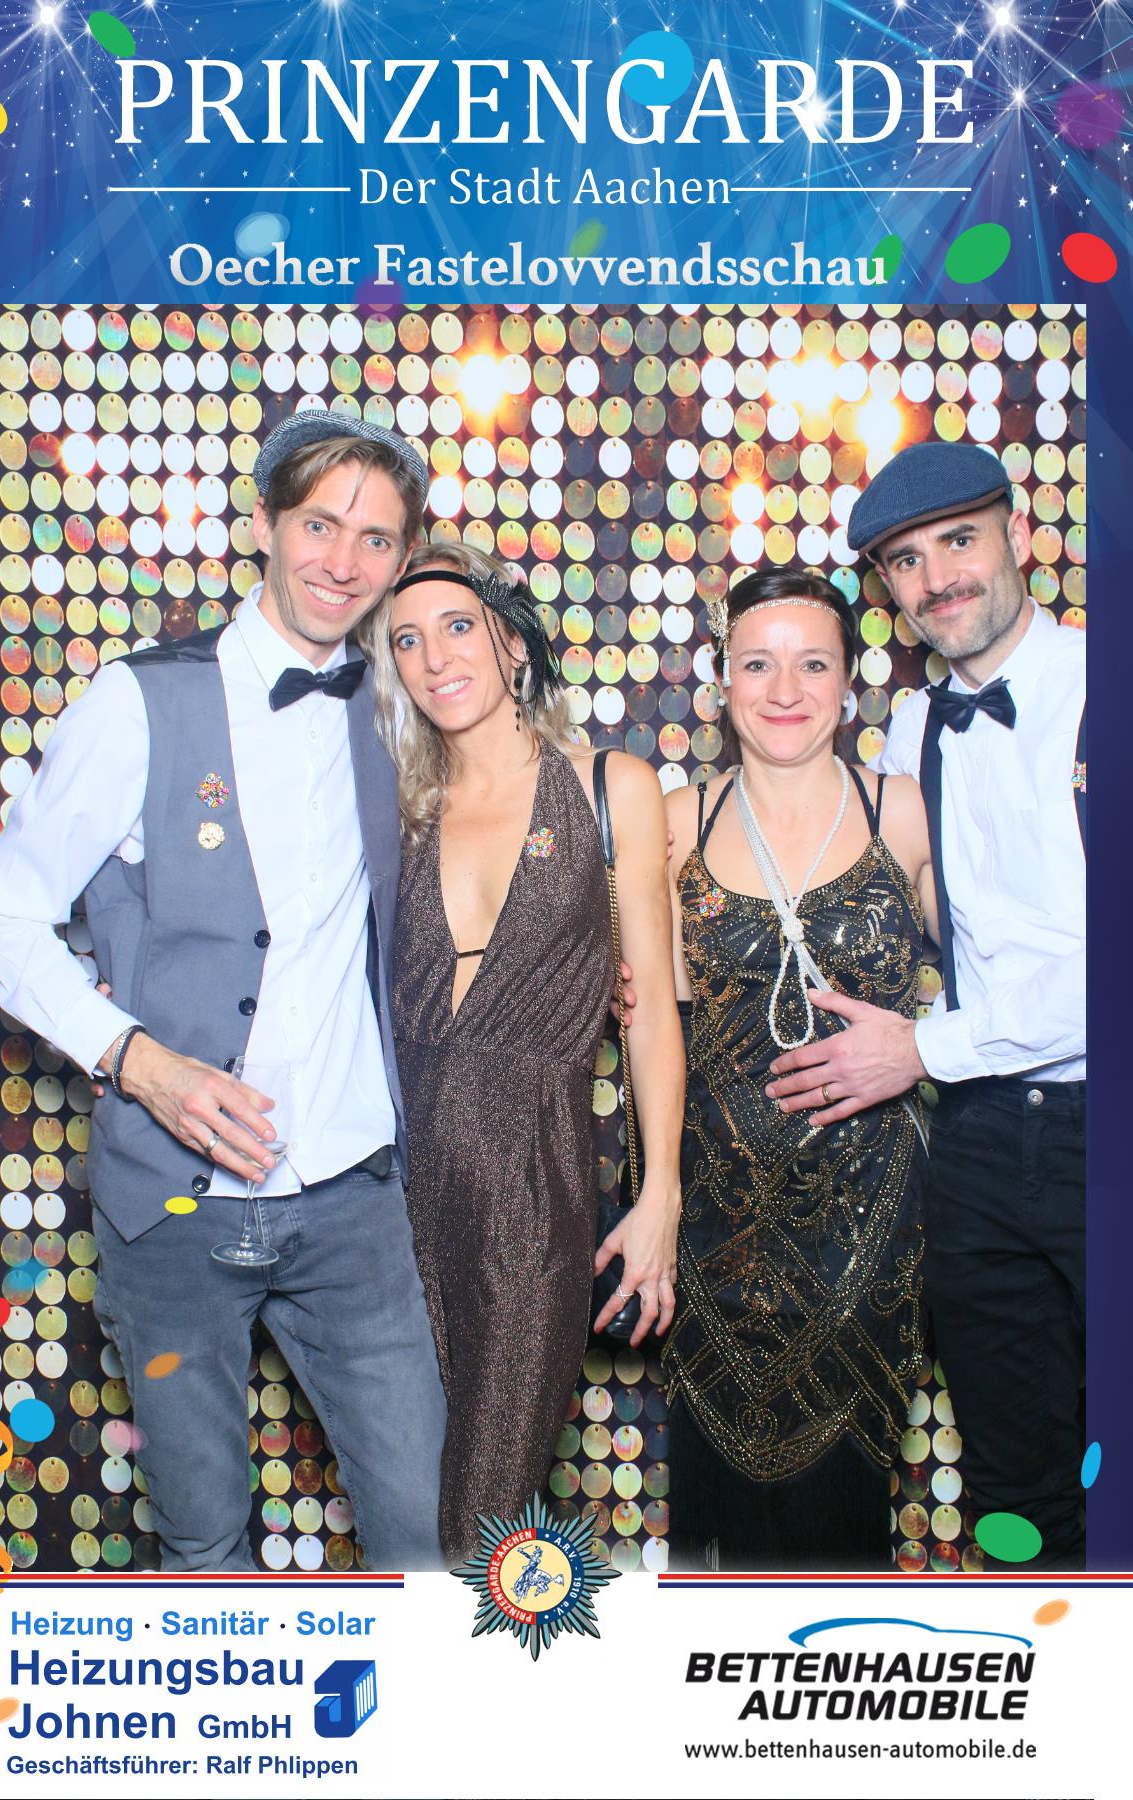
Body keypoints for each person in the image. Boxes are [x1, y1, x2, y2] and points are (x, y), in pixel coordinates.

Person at [0, 410, 449, 1571]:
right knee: (203, 1546)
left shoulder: (407, 708)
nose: (343, 561)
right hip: (172, 1208)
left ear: (403, 557)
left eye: (377, 539)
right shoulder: (140, 700)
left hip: (353, 1197)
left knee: (430, 1541)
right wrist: (137, 1061)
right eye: (320, 525)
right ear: (265, 526)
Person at [765, 442, 1086, 1569]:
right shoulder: (909, 734)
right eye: (906, 560)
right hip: (981, 1144)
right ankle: (1049, 1658)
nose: (938, 578)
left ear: (1020, 536)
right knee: (1013, 1478)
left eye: (959, 541)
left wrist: (925, 1048)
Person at [363, 542, 685, 1565]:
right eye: (406, 641)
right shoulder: (391, 808)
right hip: (381, 1208)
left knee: (479, 1522)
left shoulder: (608, 786)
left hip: (530, 1199)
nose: (434, 658)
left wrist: (662, 1195)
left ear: (512, 643)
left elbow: (651, 1009)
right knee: (407, 1522)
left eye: (458, 627)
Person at [662, 566, 937, 1570]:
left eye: (813, 664)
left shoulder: (901, 810)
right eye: (759, 664)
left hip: (868, 1232)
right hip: (716, 1231)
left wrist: (921, 1042)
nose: (785, 690)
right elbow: (644, 1018)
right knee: (721, 1534)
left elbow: (1008, 969)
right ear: (722, 681)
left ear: (850, 684)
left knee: (840, 1529)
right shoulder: (676, 819)